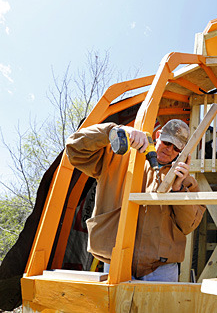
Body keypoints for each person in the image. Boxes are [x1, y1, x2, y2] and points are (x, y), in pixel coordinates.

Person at [65, 119, 205, 282]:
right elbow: (74, 148)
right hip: (116, 260)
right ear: (157, 135)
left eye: (176, 148)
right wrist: (114, 131)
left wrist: (178, 189)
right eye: (167, 143)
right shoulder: (117, 157)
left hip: (161, 269)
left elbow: (188, 226)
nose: (170, 150)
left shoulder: (186, 182)